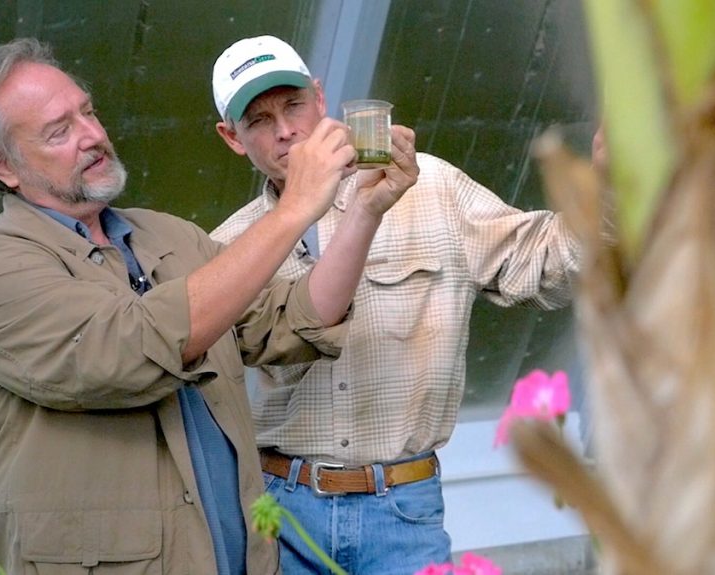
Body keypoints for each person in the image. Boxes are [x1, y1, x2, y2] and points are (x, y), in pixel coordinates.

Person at [0, 37, 418, 575]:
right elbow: (129, 350)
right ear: (1, 164)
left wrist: (365, 211)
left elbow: (291, 321)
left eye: (89, 112)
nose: (94, 136)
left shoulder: (165, 235)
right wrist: (294, 209)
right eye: (60, 130)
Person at [208, 35, 581, 574]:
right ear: (232, 137)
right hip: (281, 510)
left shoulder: (428, 187)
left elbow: (537, 262)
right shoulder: (229, 245)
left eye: (292, 104)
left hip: (402, 507)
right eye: (259, 120)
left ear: (320, 98)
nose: (286, 129)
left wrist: (611, 198)